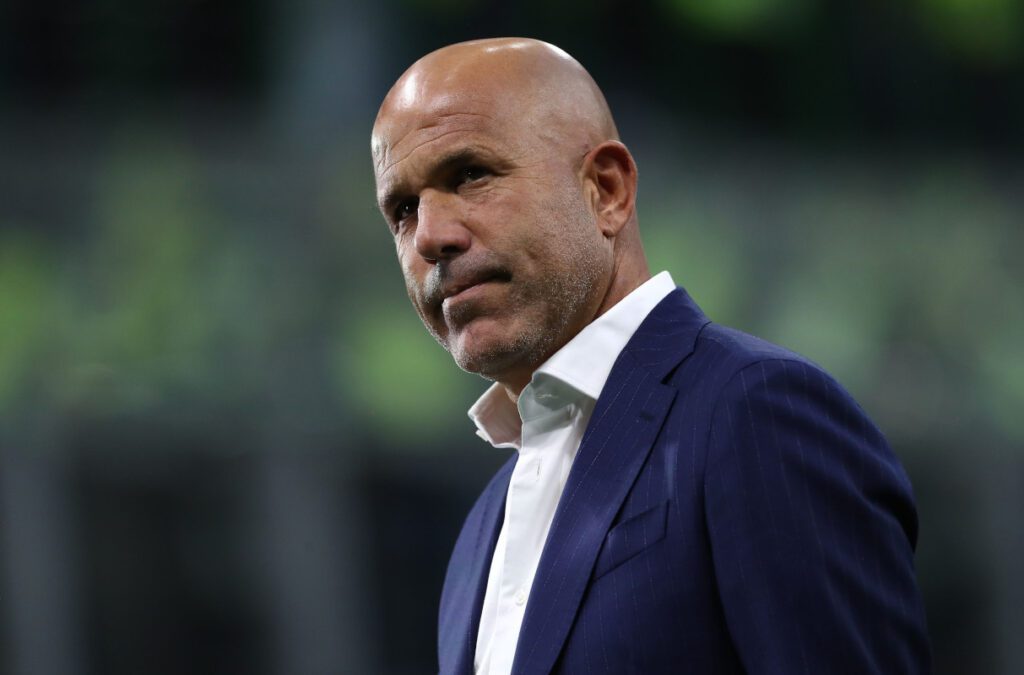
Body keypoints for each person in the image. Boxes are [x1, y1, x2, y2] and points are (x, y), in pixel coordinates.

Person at [371, 37, 931, 675]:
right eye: (403, 209)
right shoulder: (480, 535)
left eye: (470, 174)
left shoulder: (756, 416)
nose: (432, 236)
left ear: (605, 191)